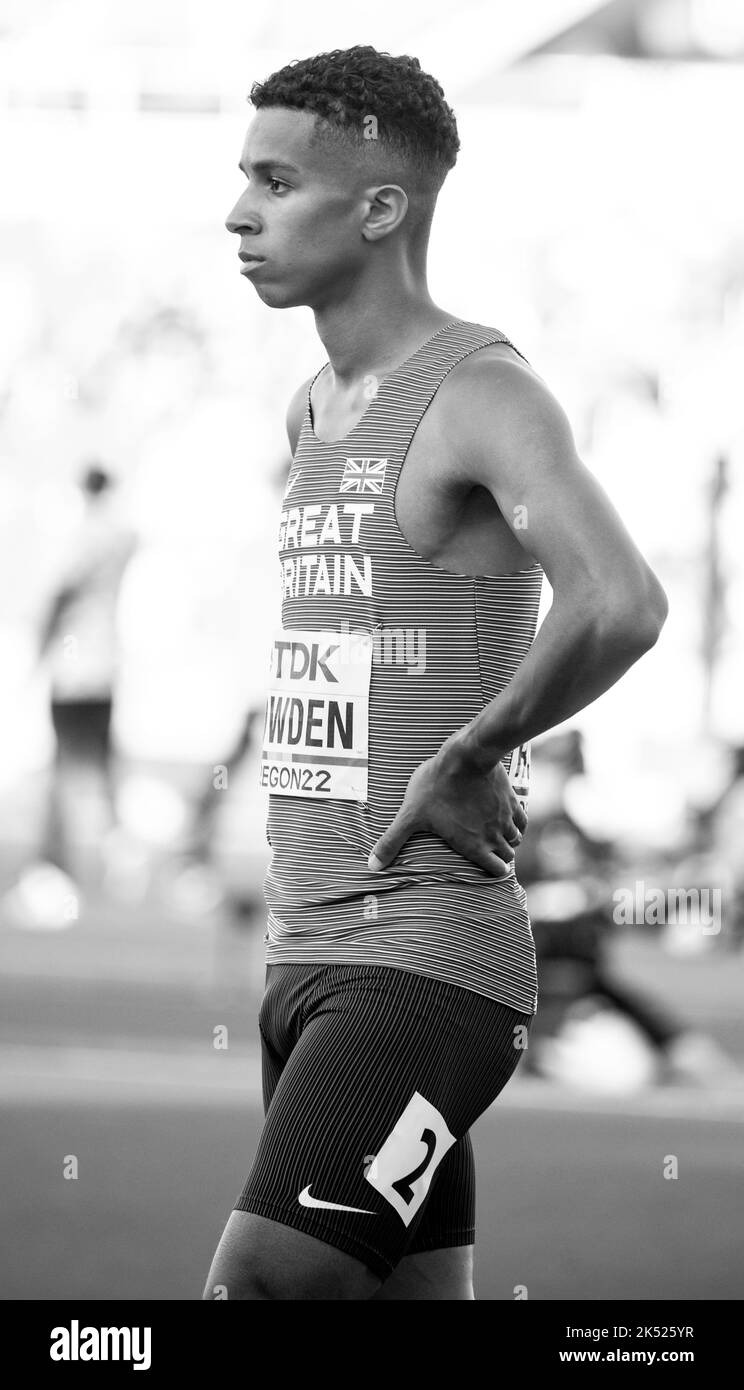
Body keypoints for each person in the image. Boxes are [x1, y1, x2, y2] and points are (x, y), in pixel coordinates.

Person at [205, 45, 668, 1301]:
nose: (238, 212)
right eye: (242, 178)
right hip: (306, 957)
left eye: (275, 180)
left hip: (424, 962)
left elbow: (622, 600)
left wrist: (473, 750)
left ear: (380, 207)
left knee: (259, 1285)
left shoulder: (477, 390)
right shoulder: (310, 406)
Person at [7, 465, 137, 926]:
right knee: (98, 765)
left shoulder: (84, 535)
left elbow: (61, 594)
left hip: (75, 665)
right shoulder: (124, 534)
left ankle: (53, 869)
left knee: (65, 769)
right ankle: (118, 857)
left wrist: (38, 656)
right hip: (105, 662)